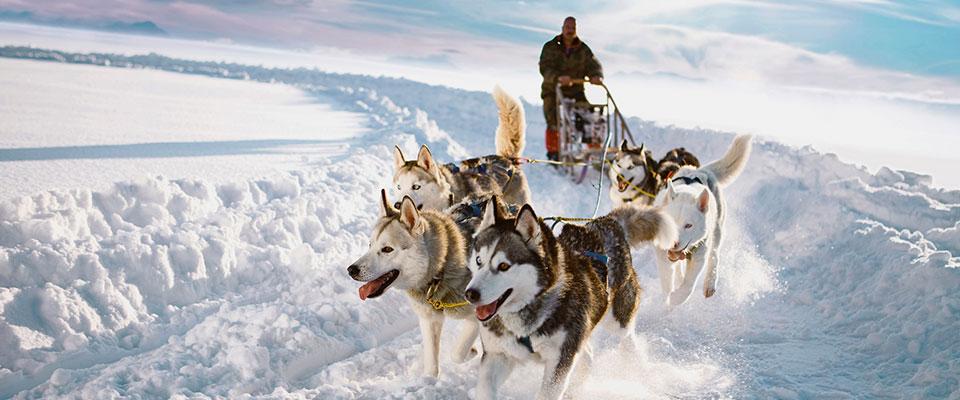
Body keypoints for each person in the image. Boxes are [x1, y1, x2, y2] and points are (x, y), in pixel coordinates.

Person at [539, 16, 604, 161]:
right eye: (567, 27)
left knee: (589, 114)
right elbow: (544, 67)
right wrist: (558, 77)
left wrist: (596, 75)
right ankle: (554, 152)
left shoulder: (583, 49)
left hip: (576, 90)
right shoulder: (550, 47)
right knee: (553, 118)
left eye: (573, 28)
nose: (570, 30)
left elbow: (593, 64)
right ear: (562, 28)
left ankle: (594, 150)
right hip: (553, 90)